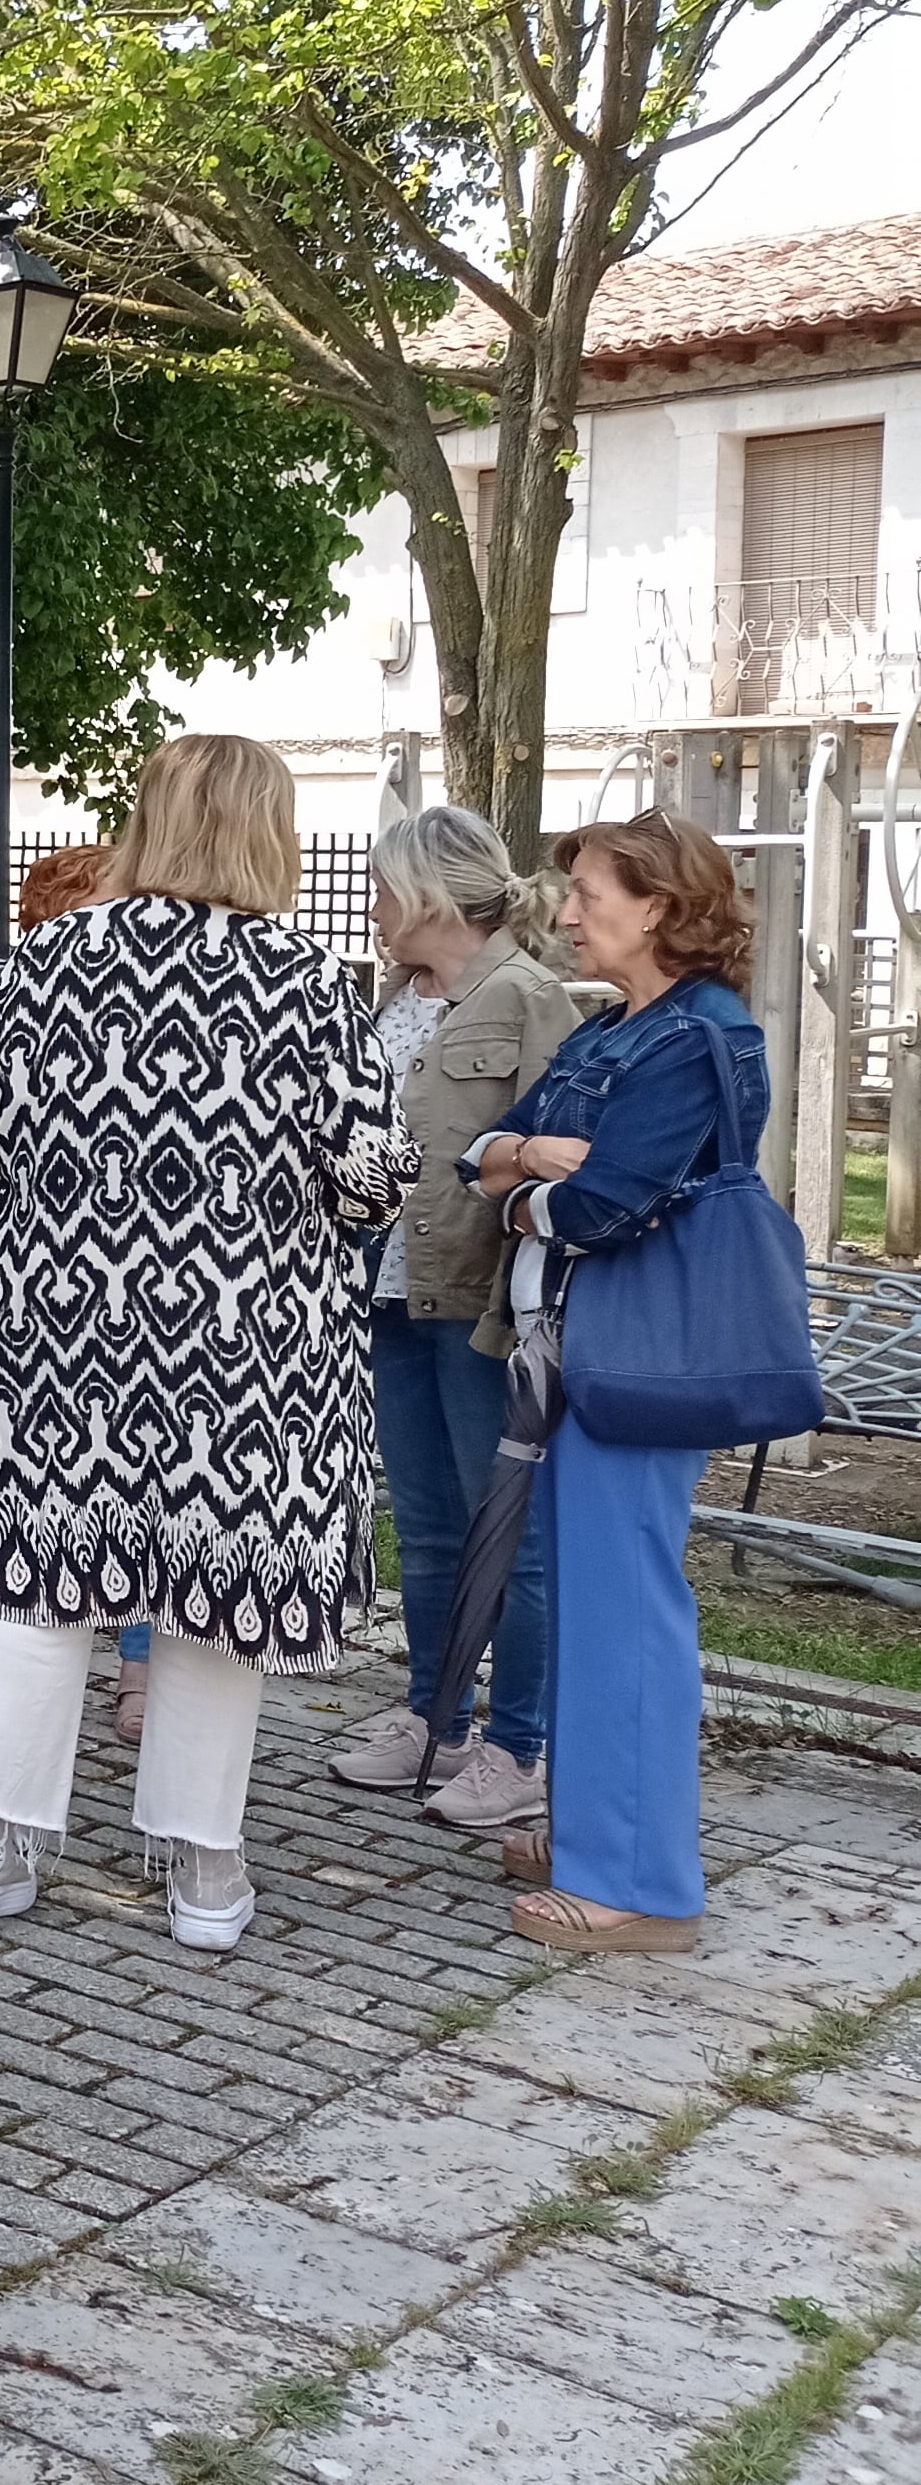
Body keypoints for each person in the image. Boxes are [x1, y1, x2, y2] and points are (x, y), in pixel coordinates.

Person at [0, 735, 412, 1956]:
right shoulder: (309, 982)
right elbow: (370, 1179)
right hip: (247, 1342)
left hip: (58, 1332)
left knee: (34, 1586)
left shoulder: (40, 962)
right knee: (216, 1599)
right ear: (269, 833)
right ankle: (202, 1868)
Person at [470, 811, 768, 1952]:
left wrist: (516, 1186)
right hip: (579, 1346)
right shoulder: (619, 1028)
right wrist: (521, 1164)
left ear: (657, 907)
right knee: (598, 1602)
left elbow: (606, 1203)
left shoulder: (695, 1038)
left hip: (637, 1353)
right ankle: (597, 1826)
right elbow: (483, 1146)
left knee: (626, 1613)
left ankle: (640, 1885)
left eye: (591, 890)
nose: (569, 908)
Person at [326, 806, 579, 1826]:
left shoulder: (528, 997)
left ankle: (519, 1747)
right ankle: (435, 1720)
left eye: (384, 887)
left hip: (482, 1310)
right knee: (427, 1528)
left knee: (508, 1534)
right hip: (389, 1294)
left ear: (431, 893)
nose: (373, 906)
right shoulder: (393, 995)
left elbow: (559, 1151)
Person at [7, 843, 153, 1744]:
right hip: (58, 1288)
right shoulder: (38, 994)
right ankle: (29, 1661)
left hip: (145, 1284)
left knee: (141, 1486)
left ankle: (139, 1667)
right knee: (68, 1486)